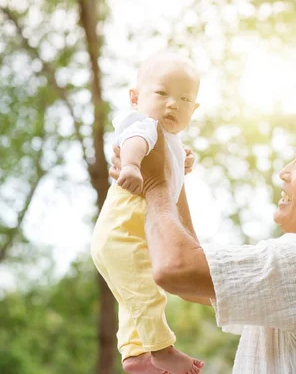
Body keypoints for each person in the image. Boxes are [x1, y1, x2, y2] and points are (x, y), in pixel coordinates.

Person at [110, 107, 296, 373]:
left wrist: (154, 185)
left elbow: (175, 269)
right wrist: (172, 175)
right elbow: (195, 278)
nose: (284, 173)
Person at [91, 52, 204, 374]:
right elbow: (136, 141)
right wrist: (130, 165)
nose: (173, 104)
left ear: (194, 109)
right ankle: (162, 348)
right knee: (146, 293)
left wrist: (181, 162)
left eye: (184, 99)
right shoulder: (144, 124)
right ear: (135, 98)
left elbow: (171, 182)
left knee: (134, 300)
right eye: (162, 93)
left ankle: (137, 356)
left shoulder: (172, 141)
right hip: (121, 235)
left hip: (132, 240)